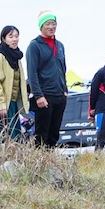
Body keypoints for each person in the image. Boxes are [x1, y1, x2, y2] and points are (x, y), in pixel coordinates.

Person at [25, 10, 68, 148]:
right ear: (41, 26)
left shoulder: (60, 45)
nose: (51, 27)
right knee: (42, 133)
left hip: (59, 95)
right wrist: (38, 96)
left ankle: (50, 162)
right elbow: (32, 73)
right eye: (48, 23)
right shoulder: (34, 46)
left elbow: (63, 69)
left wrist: (65, 89)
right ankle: (39, 162)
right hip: (44, 95)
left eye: (54, 23)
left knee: (54, 133)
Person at [0, 26, 29, 141]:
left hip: (12, 104)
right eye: (10, 36)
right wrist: (1, 104)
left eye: (16, 36)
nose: (14, 39)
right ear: (3, 39)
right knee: (1, 138)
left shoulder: (17, 58)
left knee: (16, 138)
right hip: (1, 105)